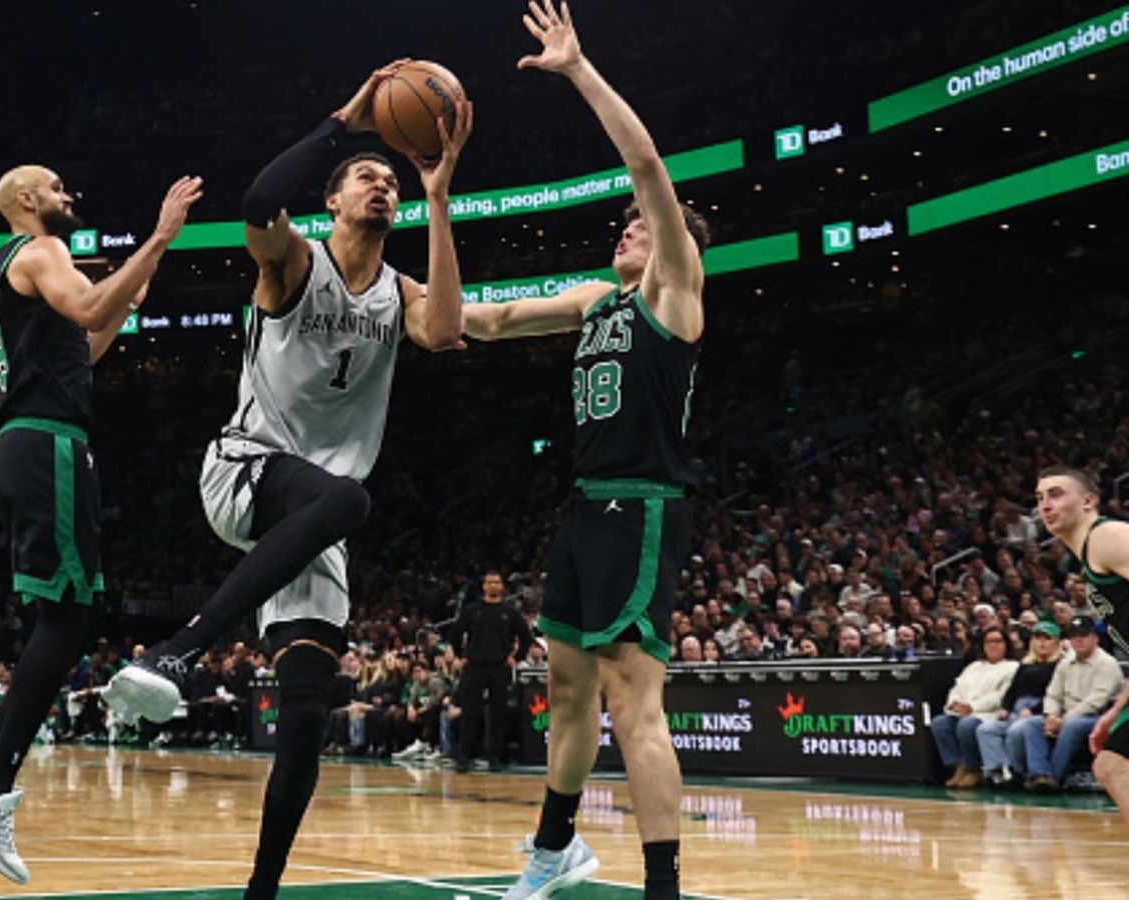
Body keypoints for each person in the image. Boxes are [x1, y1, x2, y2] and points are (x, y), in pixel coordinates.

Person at [101, 60, 471, 900]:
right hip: (246, 470)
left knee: (307, 712)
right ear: (332, 201)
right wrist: (342, 124)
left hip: (315, 524)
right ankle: (181, 650)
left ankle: (260, 890)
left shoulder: (401, 292)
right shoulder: (294, 264)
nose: (383, 185)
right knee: (350, 497)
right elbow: (257, 203)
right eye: (366, 177)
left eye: (390, 181)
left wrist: (439, 194)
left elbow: (447, 331)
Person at [460, 4, 708, 897]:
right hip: (583, 505)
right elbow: (489, 321)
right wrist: (388, 287)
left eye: (641, 227)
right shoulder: (594, 300)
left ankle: (661, 884)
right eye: (627, 226)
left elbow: (645, 166)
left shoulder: (674, 293)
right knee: (567, 691)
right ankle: (555, 848)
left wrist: (576, 69)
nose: (627, 230)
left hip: (641, 503)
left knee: (633, 704)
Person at [0, 164, 203, 884]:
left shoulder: (2, 269)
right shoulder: (41, 248)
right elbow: (86, 307)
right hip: (47, 442)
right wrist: (157, 239)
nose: (69, 195)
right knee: (71, 619)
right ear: (26, 200)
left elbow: (83, 346)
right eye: (56, 187)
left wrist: (126, 297)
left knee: (69, 617)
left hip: (27, 441)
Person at [1034, 467, 1129, 818]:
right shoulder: (1091, 558)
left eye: (1056, 494)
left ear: (1089, 501)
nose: (1045, 504)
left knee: (1114, 767)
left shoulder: (1106, 537)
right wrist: (1116, 711)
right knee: (1112, 766)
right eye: (1040, 498)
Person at [1022, 615, 1123, 791]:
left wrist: (1063, 721)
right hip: (1065, 715)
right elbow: (1052, 694)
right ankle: (1040, 775)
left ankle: (1054, 777)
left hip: (1098, 717)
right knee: (1032, 724)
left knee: (1072, 726)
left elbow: (1096, 702)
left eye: (1084, 635)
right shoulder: (1065, 662)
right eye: (1074, 636)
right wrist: (1051, 716)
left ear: (1095, 638)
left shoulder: (1107, 664)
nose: (1079, 640)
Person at [449, 571, 535, 771]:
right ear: (484, 586)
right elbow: (455, 634)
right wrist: (461, 656)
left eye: (497, 582)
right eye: (489, 582)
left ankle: (494, 756)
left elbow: (526, 637)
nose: (493, 585)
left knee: (498, 714)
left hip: (499, 667)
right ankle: (464, 755)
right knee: (470, 712)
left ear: (502, 586)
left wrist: (516, 658)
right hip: (474, 666)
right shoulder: (472, 610)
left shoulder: (510, 612)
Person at [978, 621, 1067, 787]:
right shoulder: (1025, 664)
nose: (1041, 643)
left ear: (1056, 642)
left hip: (1040, 709)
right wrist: (1005, 708)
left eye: (1047, 639)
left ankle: (1017, 770)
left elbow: (1057, 695)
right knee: (986, 729)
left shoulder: (1062, 665)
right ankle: (998, 769)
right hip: (1017, 709)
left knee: (1017, 731)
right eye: (1038, 638)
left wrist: (1034, 710)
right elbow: (1012, 690)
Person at [930, 626, 1017, 788]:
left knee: (967, 725)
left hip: (988, 713)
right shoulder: (974, 666)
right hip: (962, 711)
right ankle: (959, 766)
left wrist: (972, 707)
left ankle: (973, 768)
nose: (993, 645)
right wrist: (954, 704)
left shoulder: (1013, 667)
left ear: (1006, 644)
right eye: (988, 642)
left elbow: (1001, 696)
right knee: (939, 723)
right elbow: (957, 687)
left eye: (998, 641)